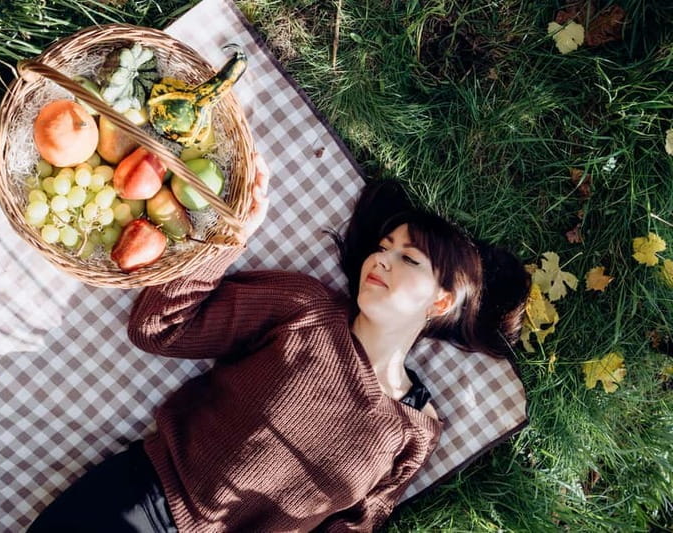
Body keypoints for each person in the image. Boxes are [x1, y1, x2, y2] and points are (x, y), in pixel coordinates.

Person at [28, 153, 530, 532]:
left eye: (409, 259)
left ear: (440, 303)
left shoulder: (415, 433)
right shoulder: (305, 309)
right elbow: (158, 327)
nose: (381, 261)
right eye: (383, 248)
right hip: (143, 506)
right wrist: (230, 237)